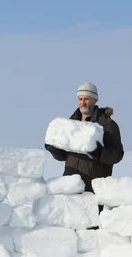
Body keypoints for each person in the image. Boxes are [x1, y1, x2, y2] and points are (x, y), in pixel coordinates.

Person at [45, 81, 124, 215]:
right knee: (71, 226)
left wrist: (99, 153)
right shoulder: (70, 124)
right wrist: (54, 149)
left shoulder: (107, 125)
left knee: (90, 230)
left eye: (86, 99)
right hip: (71, 184)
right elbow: (64, 156)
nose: (83, 102)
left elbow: (117, 154)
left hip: (93, 186)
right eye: (80, 99)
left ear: (95, 100)